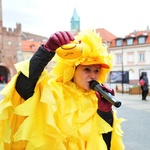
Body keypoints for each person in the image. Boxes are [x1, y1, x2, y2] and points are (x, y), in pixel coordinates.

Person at [0, 30, 125, 150]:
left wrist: (105, 113)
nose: (93, 75)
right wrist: (46, 51)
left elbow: (105, 144)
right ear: (72, 70)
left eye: (96, 70)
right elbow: (23, 88)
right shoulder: (55, 92)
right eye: (87, 69)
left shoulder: (97, 100)